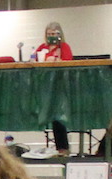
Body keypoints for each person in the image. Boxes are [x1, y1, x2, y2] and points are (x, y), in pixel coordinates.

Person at [35, 22, 73, 156]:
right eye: (49, 34)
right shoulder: (42, 48)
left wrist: (57, 59)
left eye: (54, 34)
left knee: (58, 116)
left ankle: (63, 147)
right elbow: (35, 60)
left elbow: (69, 62)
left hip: (60, 87)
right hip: (45, 88)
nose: (51, 36)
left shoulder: (64, 47)